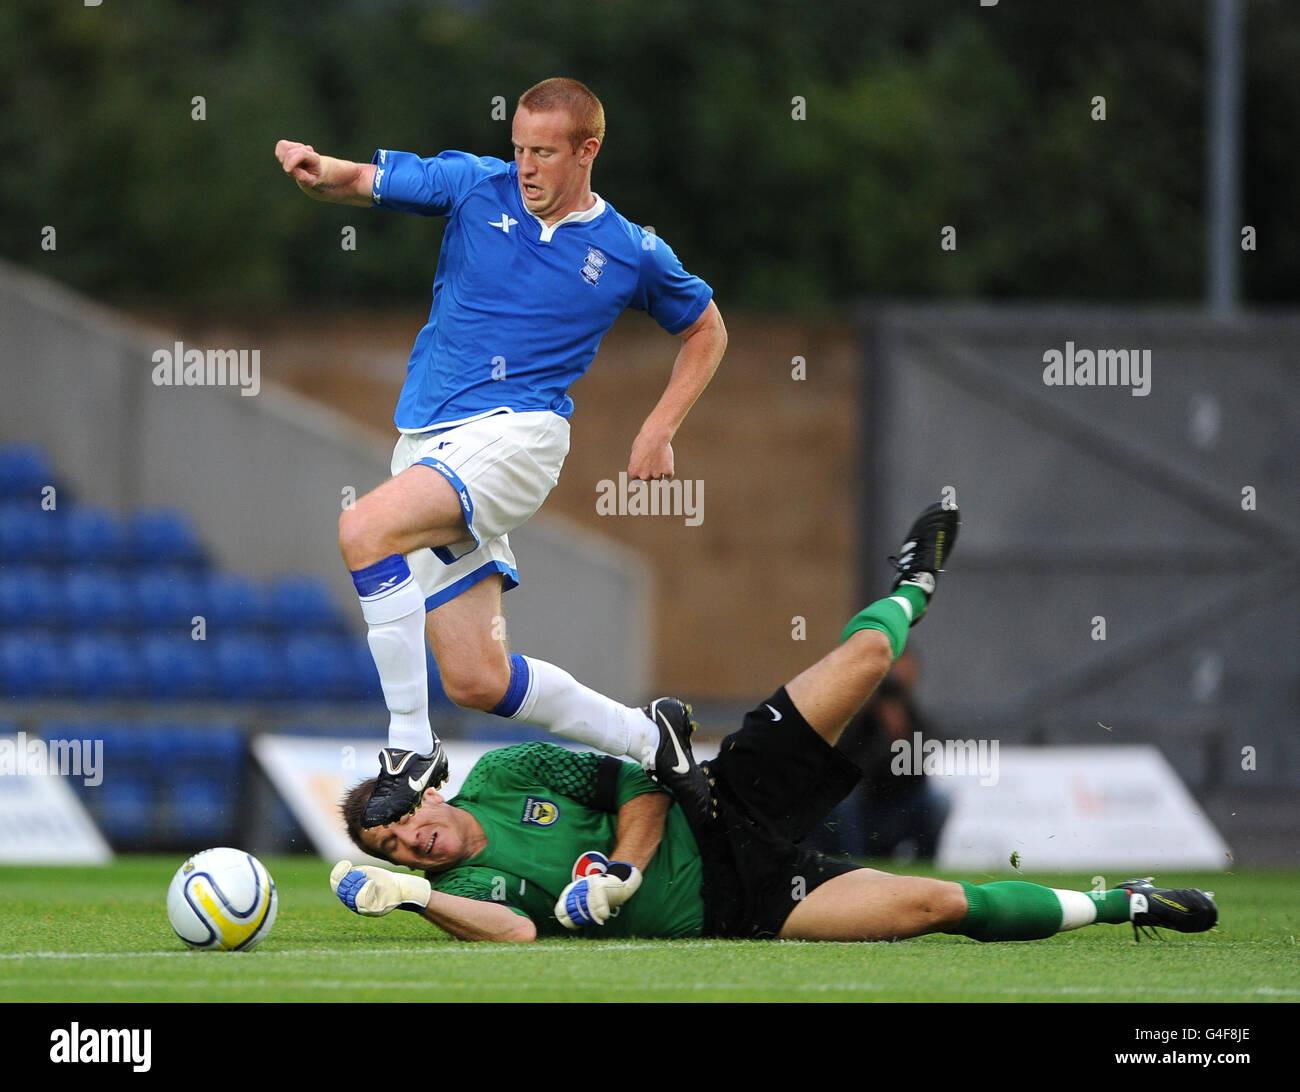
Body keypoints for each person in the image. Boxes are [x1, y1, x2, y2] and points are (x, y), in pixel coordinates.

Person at [329, 502, 1218, 943]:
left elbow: (641, 774)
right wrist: (416, 902)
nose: (418, 845)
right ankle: (1124, 902)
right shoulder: (463, 892)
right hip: (742, 905)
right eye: (401, 854)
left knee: (866, 666)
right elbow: (518, 936)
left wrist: (625, 869)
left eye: (408, 829)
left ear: (427, 790)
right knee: (935, 905)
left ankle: (913, 582)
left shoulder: (507, 776)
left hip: (720, 802)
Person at [274, 78, 727, 827]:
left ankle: (408, 749)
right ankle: (657, 741)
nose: (525, 166)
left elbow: (706, 328)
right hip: (427, 446)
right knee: (478, 680)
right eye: (519, 148)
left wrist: (660, 427)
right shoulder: (471, 186)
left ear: (589, 151)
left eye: (544, 152)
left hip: (519, 439)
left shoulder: (628, 249)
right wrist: (321, 173)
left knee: (363, 530)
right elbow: (358, 181)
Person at [807, 651, 952, 860]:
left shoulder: (911, 715)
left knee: (938, 801)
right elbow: (843, 765)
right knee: (842, 802)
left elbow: (920, 771)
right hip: (863, 810)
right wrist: (865, 713)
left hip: (898, 809)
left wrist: (900, 736)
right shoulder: (857, 715)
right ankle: (855, 866)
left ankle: (926, 868)